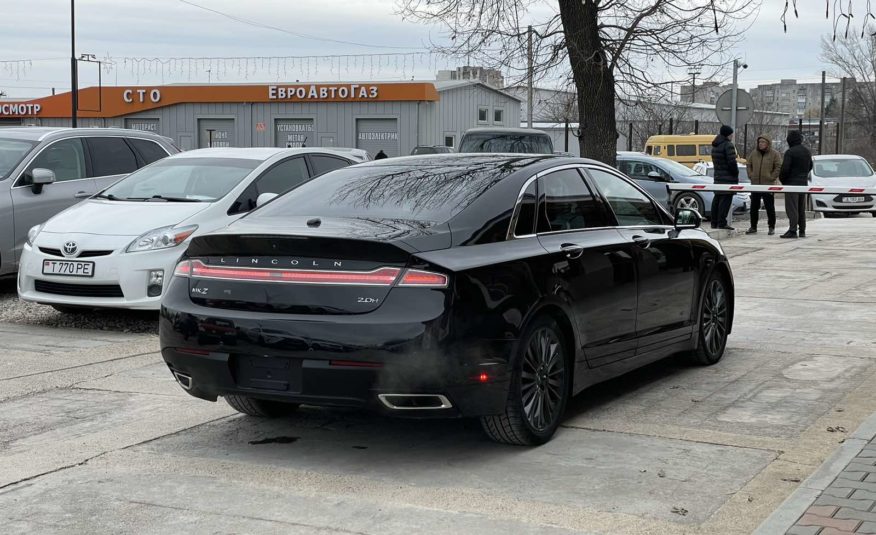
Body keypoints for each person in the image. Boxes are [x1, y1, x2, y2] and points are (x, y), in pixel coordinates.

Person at [779, 130, 813, 239]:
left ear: (789, 140)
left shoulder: (790, 152)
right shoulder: (807, 151)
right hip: (803, 183)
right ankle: (802, 230)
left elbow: (785, 169)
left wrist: (783, 180)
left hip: (791, 184)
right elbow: (810, 166)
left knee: (792, 208)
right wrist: (803, 176)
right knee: (801, 207)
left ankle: (792, 230)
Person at [745, 135, 782, 235]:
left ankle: (771, 227)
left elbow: (778, 166)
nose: (761, 144)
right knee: (754, 207)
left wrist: (771, 177)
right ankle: (753, 227)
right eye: (759, 142)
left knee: (769, 207)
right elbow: (749, 164)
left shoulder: (774, 154)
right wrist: (751, 175)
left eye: (763, 142)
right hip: (755, 184)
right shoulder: (754, 153)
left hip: (768, 185)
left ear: (768, 143)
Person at [710, 125, 739, 230]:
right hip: (727, 178)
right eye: (731, 134)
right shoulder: (728, 145)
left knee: (717, 199)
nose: (732, 136)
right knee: (725, 200)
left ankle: (714, 222)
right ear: (728, 134)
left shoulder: (716, 145)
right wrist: (736, 173)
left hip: (718, 177)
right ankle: (722, 222)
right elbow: (732, 162)